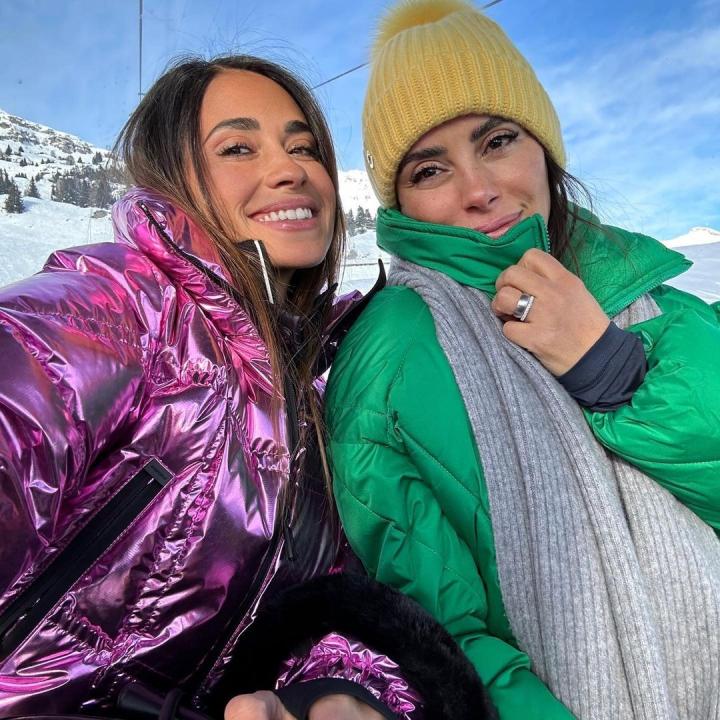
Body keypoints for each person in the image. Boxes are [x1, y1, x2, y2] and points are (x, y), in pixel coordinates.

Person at [0, 55, 493, 720]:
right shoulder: (120, 310)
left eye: (304, 147)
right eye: (238, 148)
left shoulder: (324, 388)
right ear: (176, 179)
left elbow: (316, 613)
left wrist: (343, 695)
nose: (290, 169)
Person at [325, 1, 720, 718]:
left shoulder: (659, 302)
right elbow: (443, 640)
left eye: (498, 139)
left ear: (543, 144)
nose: (479, 190)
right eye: (431, 168)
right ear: (400, 201)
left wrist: (613, 370)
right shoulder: (391, 355)